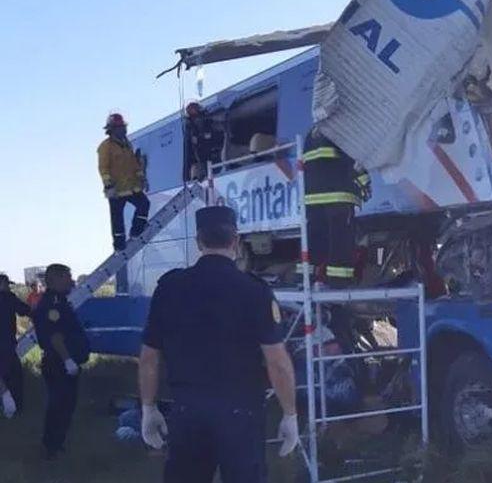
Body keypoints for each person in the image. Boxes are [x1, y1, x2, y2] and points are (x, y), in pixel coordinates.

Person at [138, 206, 299, 482]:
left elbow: (149, 358)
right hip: (241, 413)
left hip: (188, 410)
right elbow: (277, 362)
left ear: (199, 242)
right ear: (235, 241)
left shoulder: (169, 287)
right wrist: (290, 414)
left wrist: (148, 407)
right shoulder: (254, 290)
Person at [33, 264, 90, 459]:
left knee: (65, 404)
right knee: (60, 405)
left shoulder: (60, 301)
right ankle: (51, 447)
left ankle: (55, 443)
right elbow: (55, 336)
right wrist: (68, 360)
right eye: (67, 277)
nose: (71, 280)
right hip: (59, 363)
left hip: (62, 362)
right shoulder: (53, 304)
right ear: (55, 279)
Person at [302, 129, 371, 288]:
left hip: (312, 199)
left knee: (315, 240)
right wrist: (365, 183)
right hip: (338, 196)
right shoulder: (338, 129)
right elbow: (354, 162)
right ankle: (340, 281)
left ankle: (308, 279)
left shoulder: (311, 135)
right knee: (341, 240)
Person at [98, 112, 150, 251]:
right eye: (119, 127)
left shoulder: (127, 145)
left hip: (132, 187)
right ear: (111, 130)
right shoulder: (105, 147)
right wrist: (109, 186)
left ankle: (136, 230)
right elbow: (103, 168)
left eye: (123, 127)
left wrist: (142, 178)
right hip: (116, 190)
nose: (123, 130)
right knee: (117, 219)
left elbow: (134, 164)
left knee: (144, 204)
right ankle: (119, 245)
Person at [0, 274, 30, 417]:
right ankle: (14, 407)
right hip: (6, 343)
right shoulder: (8, 297)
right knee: (14, 375)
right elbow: (24, 310)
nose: (8, 287)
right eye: (6, 284)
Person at [185, 102, 224, 181]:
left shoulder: (211, 122)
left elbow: (221, 137)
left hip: (216, 161)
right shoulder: (189, 131)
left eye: (197, 116)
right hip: (202, 163)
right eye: (193, 118)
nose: (196, 120)